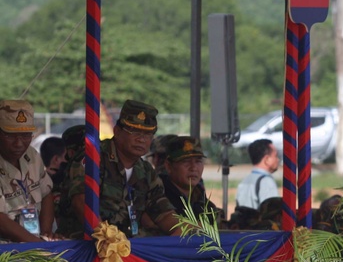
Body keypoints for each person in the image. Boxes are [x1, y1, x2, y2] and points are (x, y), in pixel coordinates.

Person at [58, 100, 180, 238]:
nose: (141, 139)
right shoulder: (93, 158)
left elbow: (164, 214)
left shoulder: (146, 171)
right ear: (117, 131)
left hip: (127, 248)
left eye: (147, 134)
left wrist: (187, 232)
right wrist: (106, 237)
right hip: (85, 246)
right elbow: (81, 201)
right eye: (134, 132)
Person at [0, 100, 53, 242]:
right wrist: (37, 245)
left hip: (34, 243)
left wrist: (46, 233)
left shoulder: (32, 155)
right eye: (10, 136)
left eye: (25, 135)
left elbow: (46, 193)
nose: (19, 143)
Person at [160, 136, 219, 219]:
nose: (193, 168)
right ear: (168, 166)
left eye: (198, 161)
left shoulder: (205, 205)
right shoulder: (157, 199)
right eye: (186, 161)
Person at [235, 138, 280, 210]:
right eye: (276, 156)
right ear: (267, 159)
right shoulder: (266, 182)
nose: (278, 160)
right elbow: (272, 212)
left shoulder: (245, 181)